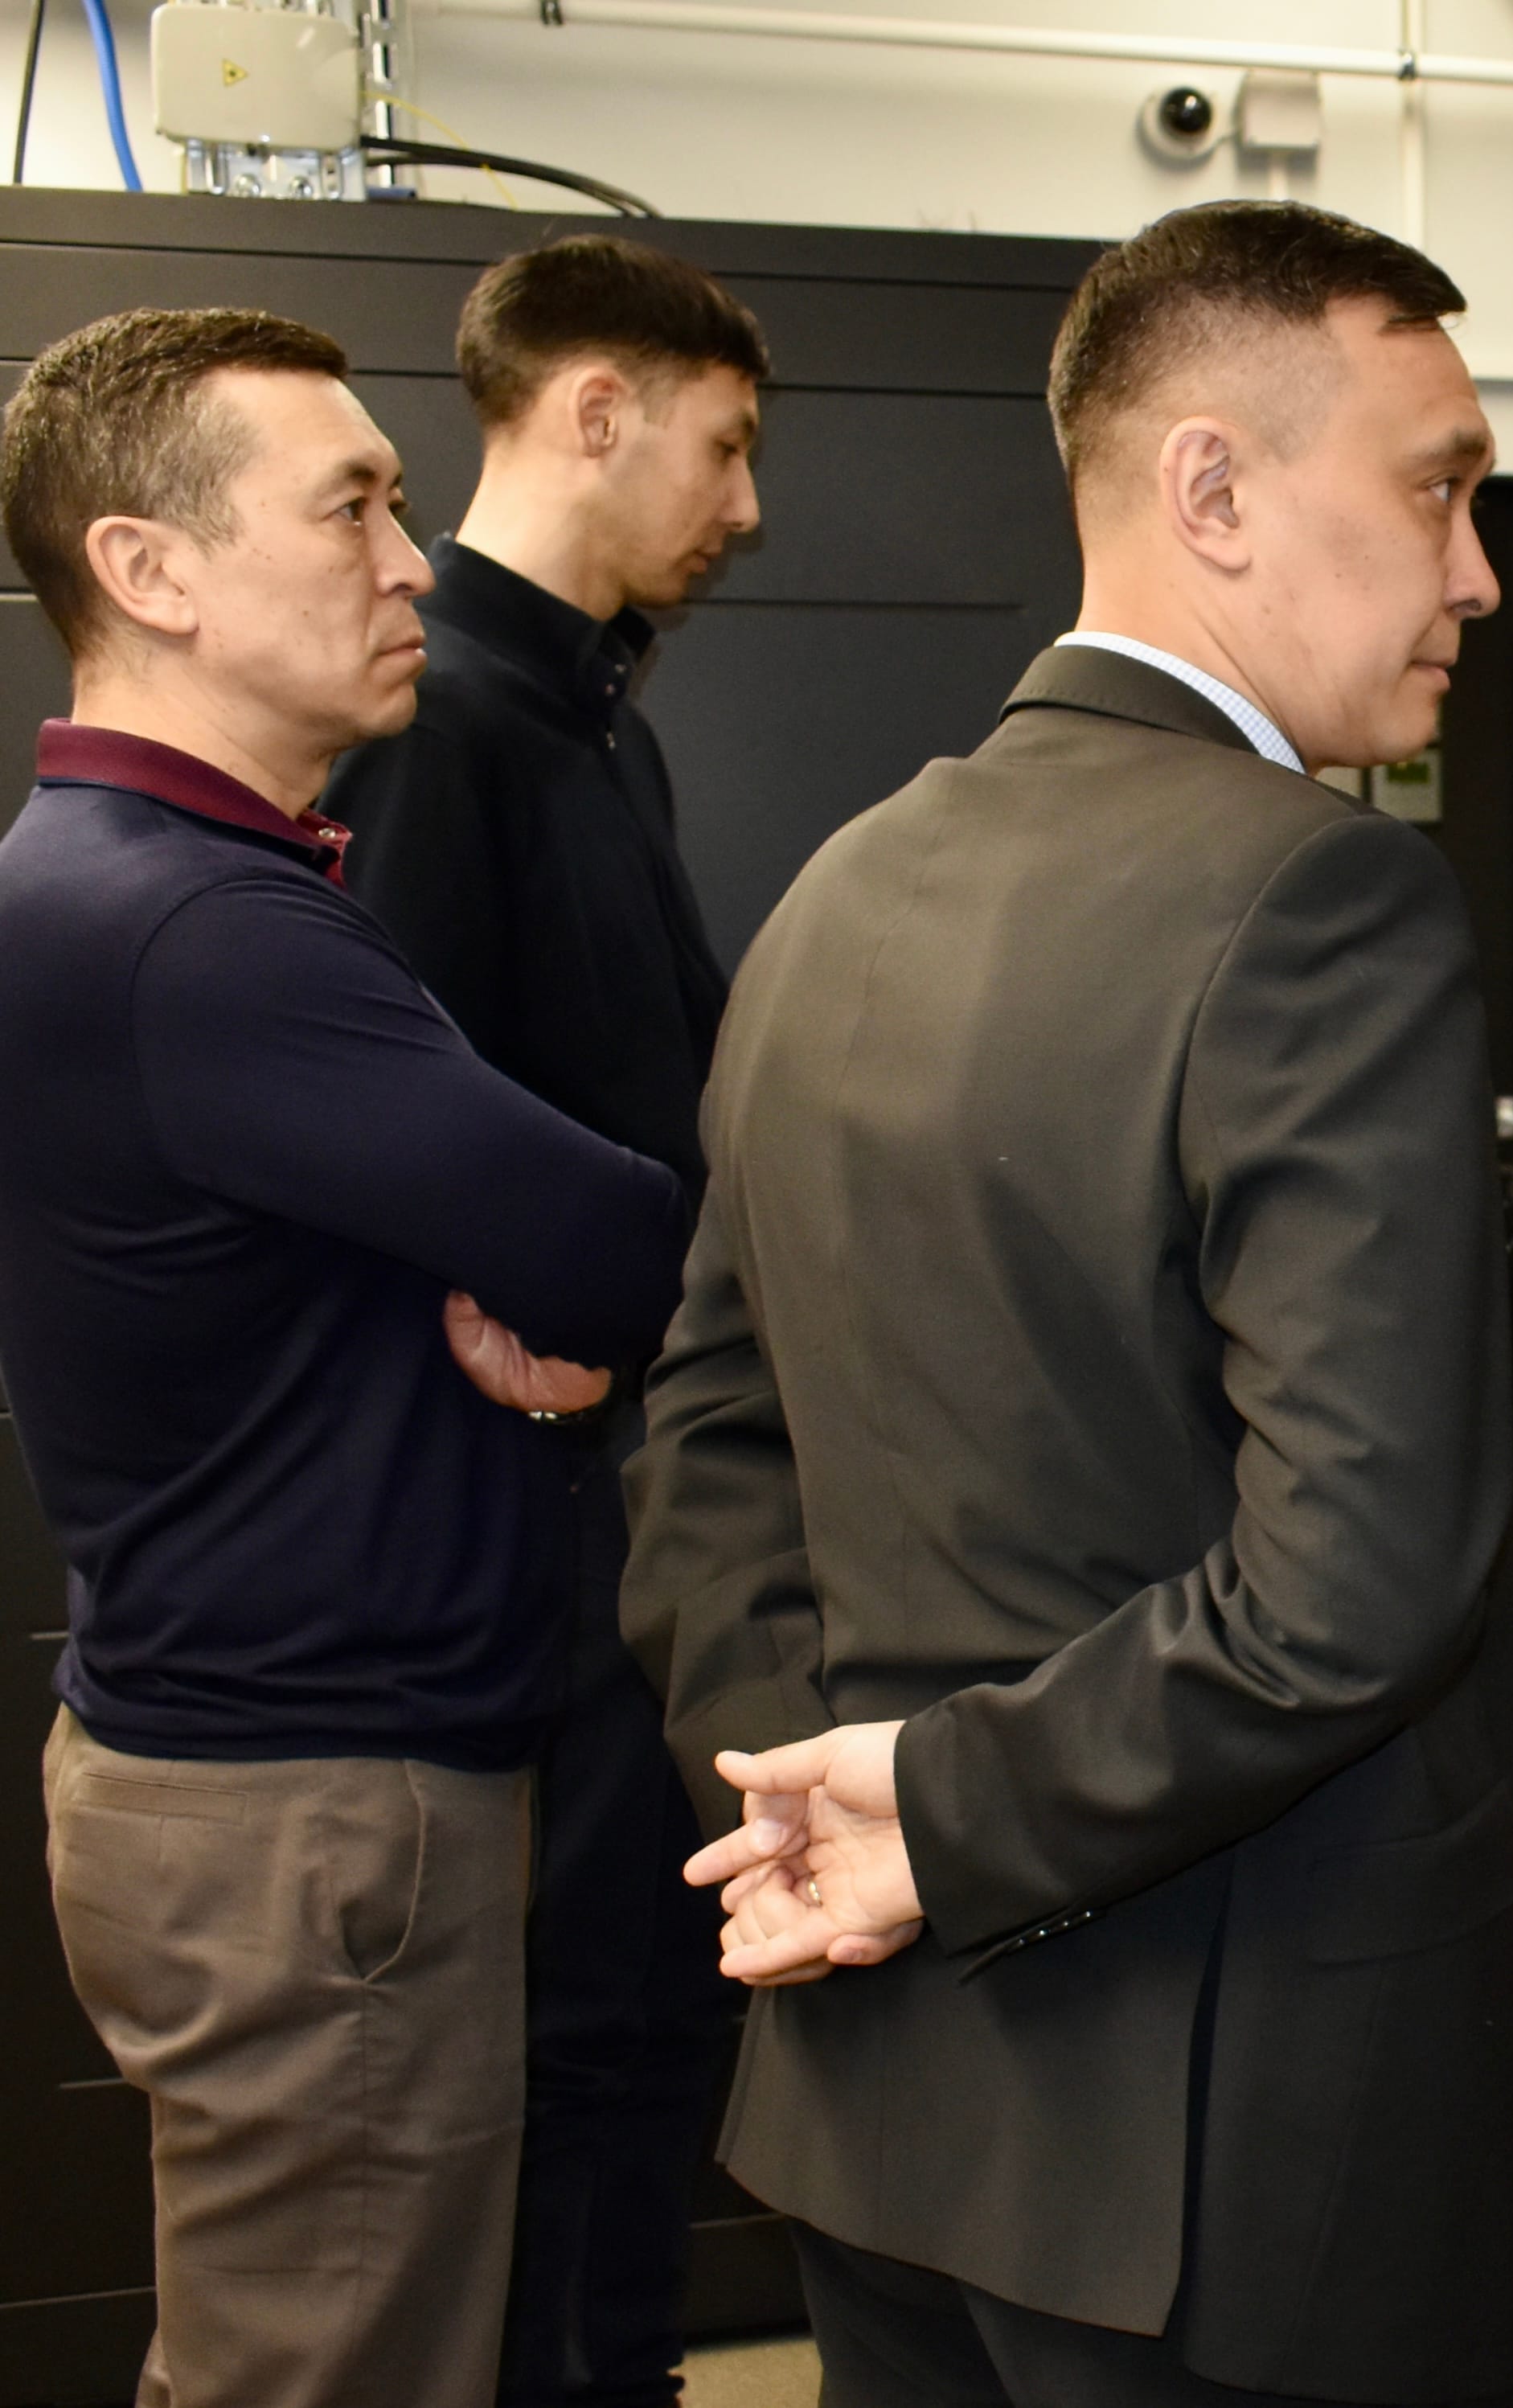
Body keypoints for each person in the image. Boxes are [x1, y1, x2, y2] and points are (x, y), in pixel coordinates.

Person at [616, 201, 1513, 2408]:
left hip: (883, 2088)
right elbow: (1353, 1580)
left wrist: (809, 1803)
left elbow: (706, 1439)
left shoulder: (838, 887)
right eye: (1436, 489)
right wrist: (922, 1818)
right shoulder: (1328, 897)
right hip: (1228, 2141)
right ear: (1210, 489)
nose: (1476, 575)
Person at [0, 308, 688, 2407]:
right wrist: (529, 1280)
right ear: (148, 569)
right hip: (309, 1809)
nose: (412, 561)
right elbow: (623, 1238)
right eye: (354, 508)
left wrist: (486, 1282)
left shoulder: (125, 883)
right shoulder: (206, 931)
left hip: (235, 1769)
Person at [322, 232, 767, 2408]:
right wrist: (484, 1290)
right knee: (576, 2064)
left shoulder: (598, 725)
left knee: (645, 2038)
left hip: (635, 1527)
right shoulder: (444, 724)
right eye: (725, 446)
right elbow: (383, 1124)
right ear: (598, 411)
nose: (748, 505)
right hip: (523, 1543)